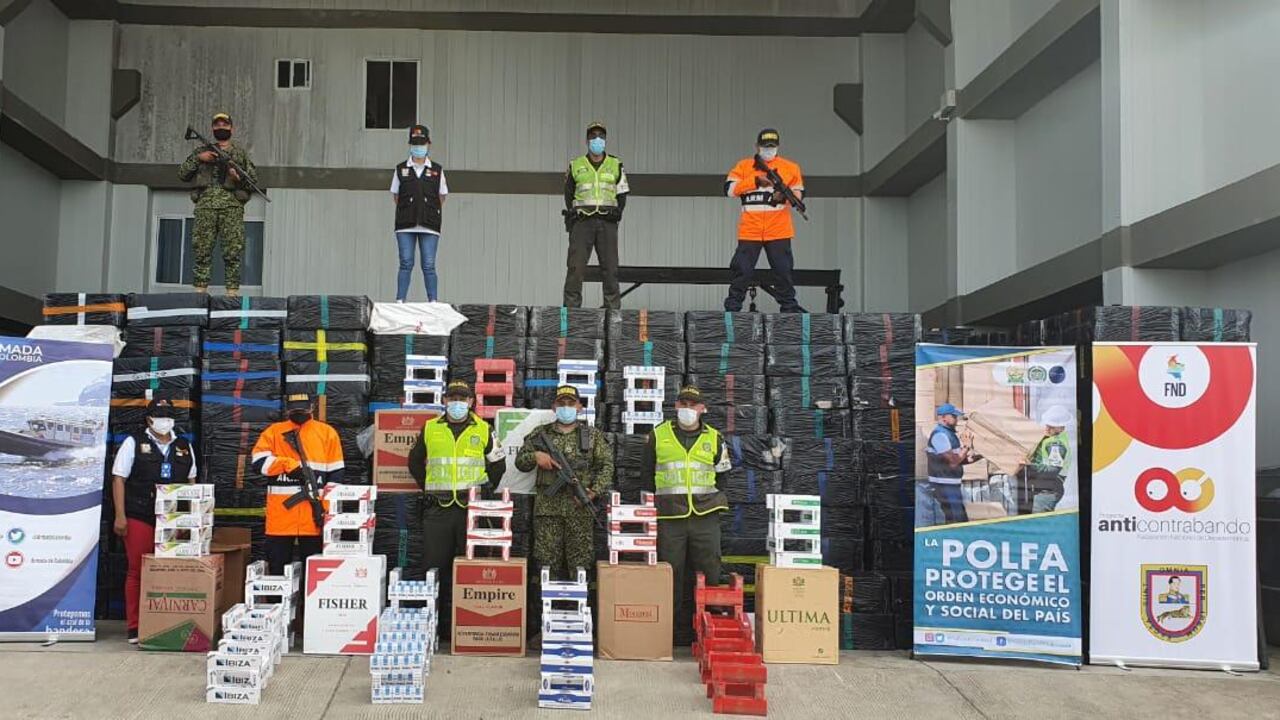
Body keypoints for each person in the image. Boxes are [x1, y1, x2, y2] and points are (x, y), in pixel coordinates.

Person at [407, 380, 505, 629]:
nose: (457, 403)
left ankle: (465, 625)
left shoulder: (484, 429)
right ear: (444, 401)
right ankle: (435, 627)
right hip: (437, 510)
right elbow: (415, 462)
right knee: (434, 567)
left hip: (470, 510)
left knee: (470, 567)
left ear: (472, 402)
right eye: (453, 398)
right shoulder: (430, 428)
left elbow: (498, 465)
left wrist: (482, 491)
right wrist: (429, 486)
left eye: (463, 398)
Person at [640, 385, 733, 643]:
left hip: (706, 515)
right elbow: (647, 475)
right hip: (670, 517)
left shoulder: (715, 438)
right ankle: (667, 635)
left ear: (703, 409)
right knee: (670, 574)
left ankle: (707, 633)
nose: (688, 409)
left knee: (710, 572)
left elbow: (723, 474)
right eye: (684, 404)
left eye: (693, 405)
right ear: (676, 407)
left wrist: (710, 498)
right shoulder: (658, 435)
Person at [110, 400, 197, 644]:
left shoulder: (183, 445)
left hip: (173, 518)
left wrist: (191, 518)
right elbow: (118, 479)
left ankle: (166, 621)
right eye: (160, 416)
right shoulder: (134, 442)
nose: (165, 420)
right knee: (138, 569)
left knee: (171, 569)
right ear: (149, 419)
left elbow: (191, 481)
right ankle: (135, 627)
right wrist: (120, 515)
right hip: (140, 514)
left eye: (169, 416)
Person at [514, 385, 613, 581]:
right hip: (547, 510)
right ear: (554, 407)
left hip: (580, 510)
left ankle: (579, 607)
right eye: (561, 403)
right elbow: (520, 462)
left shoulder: (592, 436)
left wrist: (593, 492)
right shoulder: (541, 434)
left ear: (579, 407)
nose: (566, 407)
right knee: (546, 562)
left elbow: (607, 466)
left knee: (581, 564)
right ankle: (544, 608)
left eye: (571, 403)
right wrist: (535, 456)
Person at [252, 393, 345, 574]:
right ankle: (278, 602)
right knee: (277, 569)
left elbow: (337, 473)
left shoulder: (327, 433)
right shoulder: (273, 432)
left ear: (312, 408)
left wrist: (325, 508)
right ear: (287, 410)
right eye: (295, 409)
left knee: (315, 571)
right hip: (281, 516)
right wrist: (287, 465)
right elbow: (258, 462)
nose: (299, 413)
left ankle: (307, 602)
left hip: (314, 515)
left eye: (302, 409)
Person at [723, 128, 805, 313]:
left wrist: (782, 196)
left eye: (772, 146)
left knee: (783, 272)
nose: (768, 149)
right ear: (757, 146)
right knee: (741, 271)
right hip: (750, 230)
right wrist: (756, 181)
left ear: (778, 146)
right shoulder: (744, 166)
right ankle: (732, 310)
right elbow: (728, 189)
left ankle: (789, 310)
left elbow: (799, 194)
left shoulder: (791, 167)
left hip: (779, 230)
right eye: (765, 146)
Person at [177, 112, 258, 297]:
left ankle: (232, 296)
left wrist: (238, 178)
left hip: (231, 208)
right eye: (217, 124)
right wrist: (199, 159)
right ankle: (199, 294)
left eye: (225, 124)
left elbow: (253, 181)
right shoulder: (201, 152)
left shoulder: (239, 153)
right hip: (205, 207)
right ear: (212, 128)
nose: (221, 127)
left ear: (232, 128)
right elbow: (182, 174)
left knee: (232, 253)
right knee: (202, 251)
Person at [562, 121, 629, 309]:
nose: (597, 140)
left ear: (605, 140)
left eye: (600, 136)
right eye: (593, 136)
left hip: (607, 222)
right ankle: (571, 314)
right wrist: (574, 216)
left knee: (610, 269)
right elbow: (569, 195)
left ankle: (612, 315)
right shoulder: (576, 165)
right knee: (576, 268)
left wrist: (617, 213)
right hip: (583, 222)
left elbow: (622, 193)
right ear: (587, 140)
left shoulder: (615, 164)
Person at [390, 124, 449, 302]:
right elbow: (396, 195)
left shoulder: (437, 170)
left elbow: (442, 196)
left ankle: (433, 301)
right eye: (415, 143)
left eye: (422, 143)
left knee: (429, 265)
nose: (418, 147)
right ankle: (400, 300)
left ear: (428, 143)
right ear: (410, 144)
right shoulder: (401, 169)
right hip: (405, 225)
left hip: (429, 225)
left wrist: (428, 211)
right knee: (406, 263)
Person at [925, 403, 983, 525]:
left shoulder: (949, 434)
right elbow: (953, 462)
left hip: (950, 485)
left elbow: (959, 460)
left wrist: (981, 456)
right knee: (958, 521)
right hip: (943, 485)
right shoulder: (940, 435)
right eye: (954, 416)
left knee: (955, 520)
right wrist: (966, 446)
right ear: (944, 417)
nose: (957, 420)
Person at [1022, 405, 1073, 513]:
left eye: (1052, 426)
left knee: (1038, 523)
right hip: (1044, 487)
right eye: (1047, 425)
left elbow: (1052, 470)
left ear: (1061, 428)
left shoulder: (1056, 445)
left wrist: (1031, 465)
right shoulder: (1050, 437)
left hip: (1049, 490)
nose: (1047, 428)